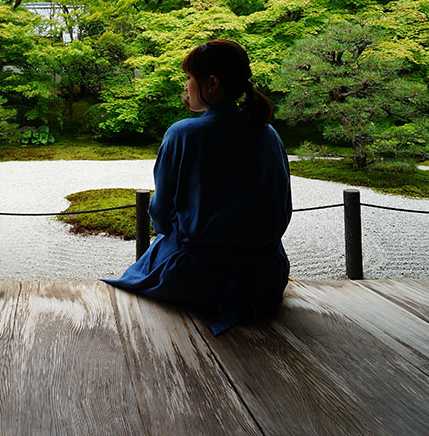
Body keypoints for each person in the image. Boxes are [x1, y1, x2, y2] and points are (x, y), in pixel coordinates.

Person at [104, 39, 292, 335]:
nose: (186, 87)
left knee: (143, 271)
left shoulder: (183, 134)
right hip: (264, 277)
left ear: (212, 83)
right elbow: (282, 211)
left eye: (189, 78)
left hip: (195, 276)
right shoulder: (268, 134)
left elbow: (162, 212)